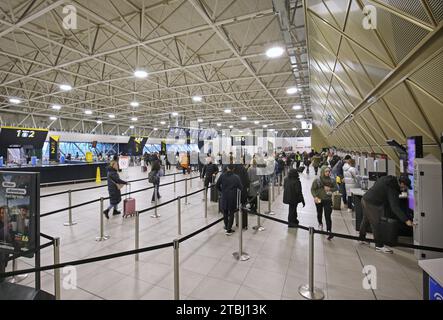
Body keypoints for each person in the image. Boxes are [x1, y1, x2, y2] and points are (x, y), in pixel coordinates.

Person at [359, 175, 413, 253]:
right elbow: (395, 207)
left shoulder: (389, 178)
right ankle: (379, 246)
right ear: (402, 184)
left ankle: (361, 238)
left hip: (365, 198)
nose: (405, 189)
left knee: (366, 219)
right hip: (372, 203)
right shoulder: (393, 188)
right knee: (376, 224)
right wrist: (406, 220)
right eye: (405, 187)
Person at [311, 166, 338, 240]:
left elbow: (336, 188)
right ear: (323, 172)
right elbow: (313, 189)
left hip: (328, 200)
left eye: (329, 171)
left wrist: (330, 189)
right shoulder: (317, 180)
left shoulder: (332, 180)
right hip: (319, 199)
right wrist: (315, 197)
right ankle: (320, 223)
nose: (327, 173)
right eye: (326, 171)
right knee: (319, 213)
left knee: (328, 215)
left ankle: (329, 231)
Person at [216, 164, 243, 235]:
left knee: (225, 212)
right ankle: (229, 229)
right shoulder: (236, 177)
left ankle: (226, 226)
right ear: (233, 169)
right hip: (232, 197)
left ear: (227, 168)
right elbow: (241, 187)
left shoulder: (222, 176)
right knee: (231, 213)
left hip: (224, 196)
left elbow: (217, 185)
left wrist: (222, 191)